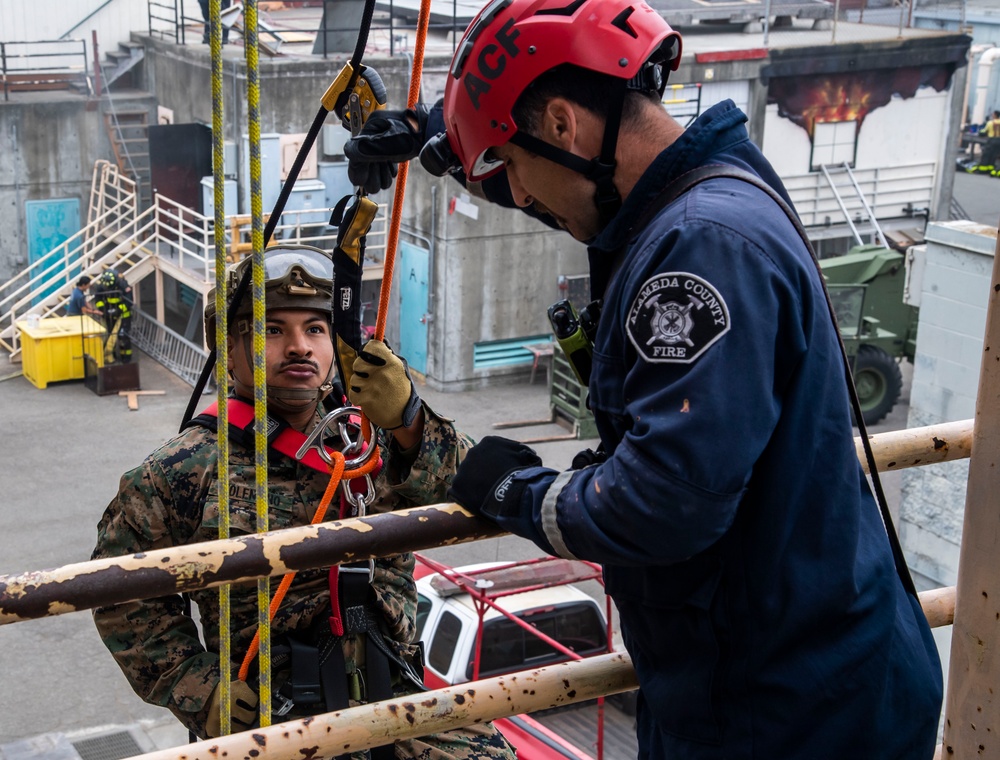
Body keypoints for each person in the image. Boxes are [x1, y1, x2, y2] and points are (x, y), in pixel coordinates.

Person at [343, 0, 944, 757]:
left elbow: (664, 505)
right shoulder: (705, 190)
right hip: (782, 676)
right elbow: (555, 184)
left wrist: (515, 492)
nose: (518, 196)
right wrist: (441, 133)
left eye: (512, 167)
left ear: (563, 123)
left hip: (788, 713)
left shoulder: (699, 250)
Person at [91, 244, 515, 759]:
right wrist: (200, 689)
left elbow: (471, 491)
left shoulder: (372, 440)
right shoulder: (183, 470)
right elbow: (119, 590)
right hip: (275, 710)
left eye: (316, 329)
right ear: (227, 347)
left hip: (395, 693)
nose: (299, 347)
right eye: (272, 330)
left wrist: (409, 419)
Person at [91, 269, 133, 363]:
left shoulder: (123, 285)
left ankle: (126, 356)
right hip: (108, 315)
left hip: (123, 315)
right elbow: (98, 299)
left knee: (122, 336)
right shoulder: (102, 285)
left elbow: (129, 302)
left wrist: (118, 310)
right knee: (110, 335)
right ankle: (111, 355)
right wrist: (103, 309)